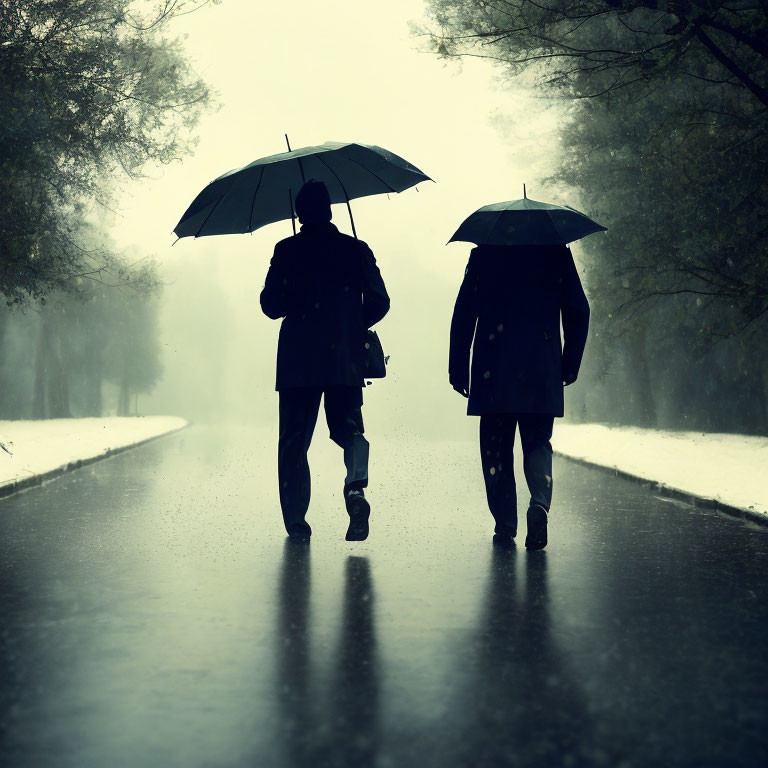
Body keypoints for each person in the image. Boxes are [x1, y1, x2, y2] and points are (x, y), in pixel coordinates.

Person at [260, 180, 390, 541]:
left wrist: (290, 289)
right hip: (343, 360)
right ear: (331, 211)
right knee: (349, 430)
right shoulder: (355, 249)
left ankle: (297, 525)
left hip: (298, 362)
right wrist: (349, 323)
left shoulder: (286, 250)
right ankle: (355, 488)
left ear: (299, 214)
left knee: (294, 444)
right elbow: (380, 301)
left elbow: (271, 307)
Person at [449, 244, 589, 549]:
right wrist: (569, 364)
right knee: (538, 442)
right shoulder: (556, 254)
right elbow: (579, 311)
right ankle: (539, 503)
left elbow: (464, 314)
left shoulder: (484, 254)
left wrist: (458, 368)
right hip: (541, 367)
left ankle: (505, 523)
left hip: (493, 367)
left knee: (495, 449)